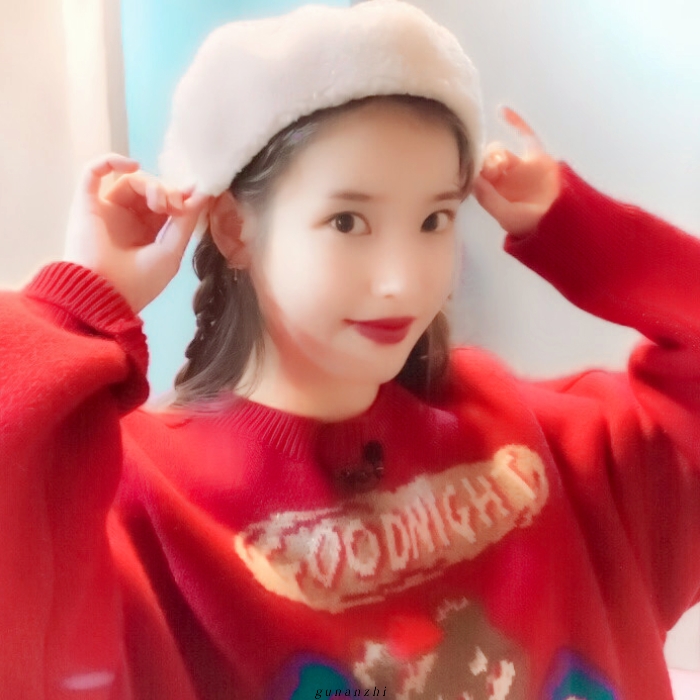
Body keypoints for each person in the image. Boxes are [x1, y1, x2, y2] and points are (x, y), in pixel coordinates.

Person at [1, 1, 699, 698]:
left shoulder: (542, 439)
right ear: (235, 229)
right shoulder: (142, 503)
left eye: (434, 219)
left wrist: (584, 230)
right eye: (347, 221)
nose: (403, 281)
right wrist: (75, 302)